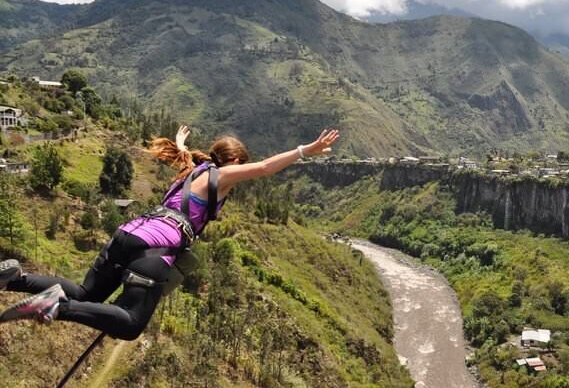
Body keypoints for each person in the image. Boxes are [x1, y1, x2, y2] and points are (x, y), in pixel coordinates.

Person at [0, 126, 339, 340]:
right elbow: (265, 168)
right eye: (239, 164)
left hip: (129, 231)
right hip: (154, 248)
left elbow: (183, 155)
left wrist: (181, 142)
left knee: (86, 293)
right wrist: (304, 151)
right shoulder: (222, 176)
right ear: (233, 161)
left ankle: (15, 278)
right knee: (131, 323)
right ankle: (56, 307)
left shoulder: (191, 170)